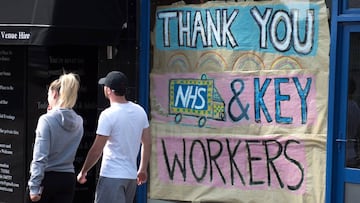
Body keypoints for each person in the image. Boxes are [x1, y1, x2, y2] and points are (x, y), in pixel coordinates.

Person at [77, 71, 151, 203]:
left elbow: (96, 150)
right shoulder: (140, 111)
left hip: (112, 175)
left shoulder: (108, 115)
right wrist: (143, 168)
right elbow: (147, 142)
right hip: (131, 177)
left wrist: (83, 171)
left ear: (109, 90)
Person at [27, 73, 83, 203]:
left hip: (47, 178)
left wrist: (34, 186)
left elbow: (40, 156)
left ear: (54, 95)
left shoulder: (46, 120)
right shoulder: (79, 121)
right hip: (68, 178)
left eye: (48, 94)